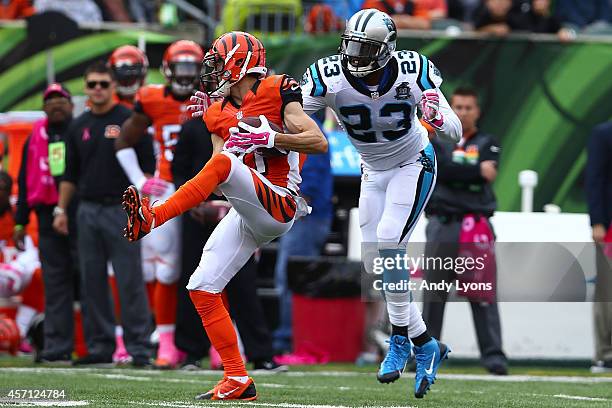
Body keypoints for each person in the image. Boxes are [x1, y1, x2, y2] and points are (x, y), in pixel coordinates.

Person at [123, 31, 326, 400]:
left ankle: (153, 218)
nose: (211, 71)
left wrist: (272, 139)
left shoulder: (278, 89)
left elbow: (318, 142)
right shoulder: (216, 109)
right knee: (201, 286)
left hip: (281, 201)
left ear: (239, 62)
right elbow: (218, 174)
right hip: (248, 209)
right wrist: (224, 135)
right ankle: (236, 378)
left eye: (216, 62)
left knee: (223, 164)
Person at [298, 8, 461, 398]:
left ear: (387, 50)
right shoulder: (328, 75)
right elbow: (295, 121)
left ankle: (400, 340)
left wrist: (436, 114)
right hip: (371, 170)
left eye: (365, 48)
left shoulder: (412, 69)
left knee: (390, 239)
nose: (354, 56)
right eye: (351, 45)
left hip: (413, 161)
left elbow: (454, 130)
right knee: (378, 263)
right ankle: (426, 344)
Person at [53, 61, 154, 367]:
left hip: (123, 208)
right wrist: (61, 209)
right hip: (86, 209)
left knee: (129, 279)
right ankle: (100, 346)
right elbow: (69, 174)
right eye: (92, 84)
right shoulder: (78, 125)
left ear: (114, 87)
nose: (97, 89)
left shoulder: (130, 119)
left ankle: (139, 347)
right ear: (85, 88)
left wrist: (144, 205)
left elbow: (148, 167)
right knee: (92, 280)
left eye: (103, 84)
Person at [115, 40, 204, 369]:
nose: (185, 75)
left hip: (202, 187)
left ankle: (209, 341)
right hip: (167, 186)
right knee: (161, 268)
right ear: (167, 70)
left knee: (203, 266)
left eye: (191, 68)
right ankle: (165, 341)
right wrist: (139, 178)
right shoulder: (151, 98)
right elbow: (124, 139)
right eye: (180, 68)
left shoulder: (209, 100)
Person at [173, 117, 287, 372]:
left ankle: (259, 353)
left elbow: (261, 170)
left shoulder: (251, 123)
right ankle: (191, 352)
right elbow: (179, 168)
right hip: (197, 213)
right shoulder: (194, 127)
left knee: (244, 284)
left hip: (239, 210)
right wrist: (194, 202)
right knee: (194, 281)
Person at [421, 87, 508, 375]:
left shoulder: (488, 141)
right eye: (457, 106)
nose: (463, 112)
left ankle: (493, 356)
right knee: (434, 293)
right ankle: (424, 353)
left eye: (468, 107)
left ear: (477, 111)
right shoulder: (437, 141)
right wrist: (471, 170)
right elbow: (441, 169)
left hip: (476, 225)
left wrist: (452, 169)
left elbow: (489, 174)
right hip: (442, 224)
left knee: (482, 292)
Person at [14, 83, 78, 363]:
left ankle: (97, 346)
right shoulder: (35, 136)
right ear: (43, 107)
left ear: (71, 105)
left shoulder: (79, 131)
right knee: (55, 283)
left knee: (89, 280)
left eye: (61, 100)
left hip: (78, 214)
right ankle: (56, 345)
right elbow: (25, 178)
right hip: (45, 215)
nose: (56, 105)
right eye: (50, 100)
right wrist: (20, 221)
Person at [585, 121, 612, 373]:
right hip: (610, 227)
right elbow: (594, 179)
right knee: (607, 293)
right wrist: (598, 222)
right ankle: (605, 355)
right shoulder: (604, 133)